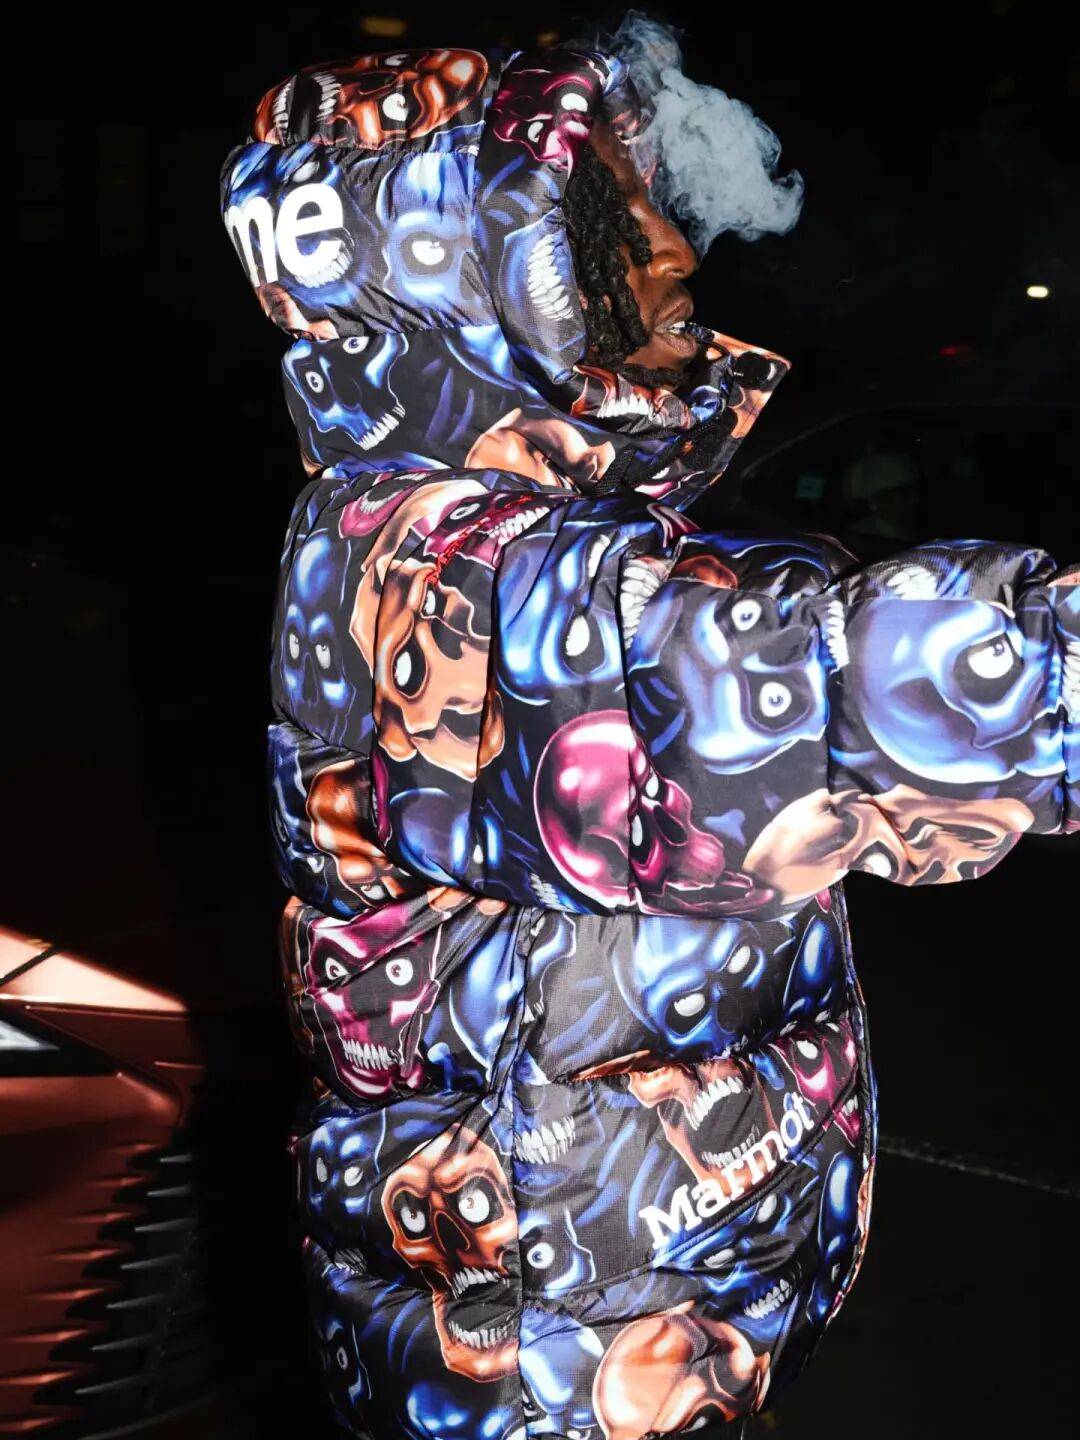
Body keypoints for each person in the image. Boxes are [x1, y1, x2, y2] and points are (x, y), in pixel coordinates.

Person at [220, 36, 1077, 1440]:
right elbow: (792, 697)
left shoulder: (532, 527)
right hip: (551, 1372)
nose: (674, 250)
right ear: (467, 280)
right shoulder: (431, 559)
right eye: (604, 222)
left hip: (633, 1317)